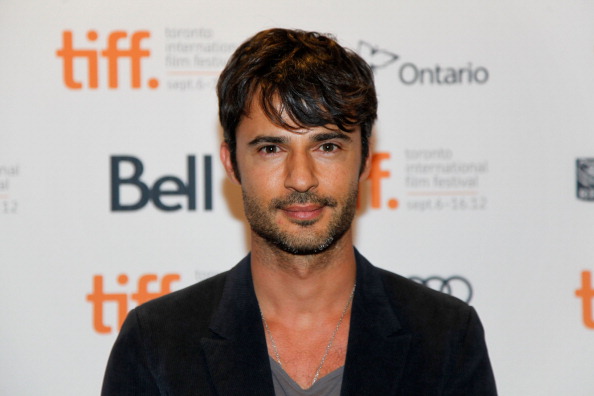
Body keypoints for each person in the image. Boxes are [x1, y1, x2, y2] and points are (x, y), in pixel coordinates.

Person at [101, 28, 497, 396]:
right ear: (231, 163)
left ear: (366, 160)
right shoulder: (156, 341)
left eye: (327, 146)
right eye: (271, 149)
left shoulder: (446, 336)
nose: (301, 179)